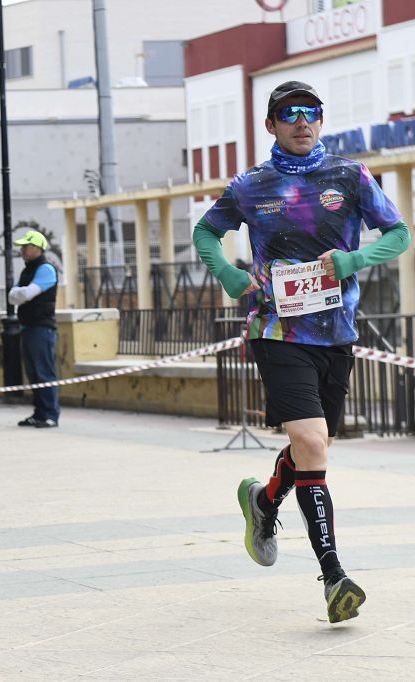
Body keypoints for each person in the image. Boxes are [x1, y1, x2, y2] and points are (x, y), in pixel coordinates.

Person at [194, 80, 411, 623]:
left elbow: (398, 234)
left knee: (315, 448)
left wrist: (352, 262)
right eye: (288, 114)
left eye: (310, 113)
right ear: (270, 124)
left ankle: (265, 499)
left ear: (320, 119)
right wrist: (226, 272)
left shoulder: (349, 176)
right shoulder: (250, 186)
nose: (301, 121)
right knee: (312, 441)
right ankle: (334, 576)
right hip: (276, 330)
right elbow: (205, 233)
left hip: (335, 334)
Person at [8, 229, 60, 428]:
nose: (22, 249)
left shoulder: (46, 269)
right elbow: (12, 296)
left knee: (44, 372)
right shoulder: (28, 269)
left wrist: (19, 293)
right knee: (34, 373)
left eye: (26, 246)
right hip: (28, 327)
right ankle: (39, 413)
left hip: (42, 328)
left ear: (37, 247)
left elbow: (26, 294)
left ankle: (50, 415)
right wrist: (19, 293)